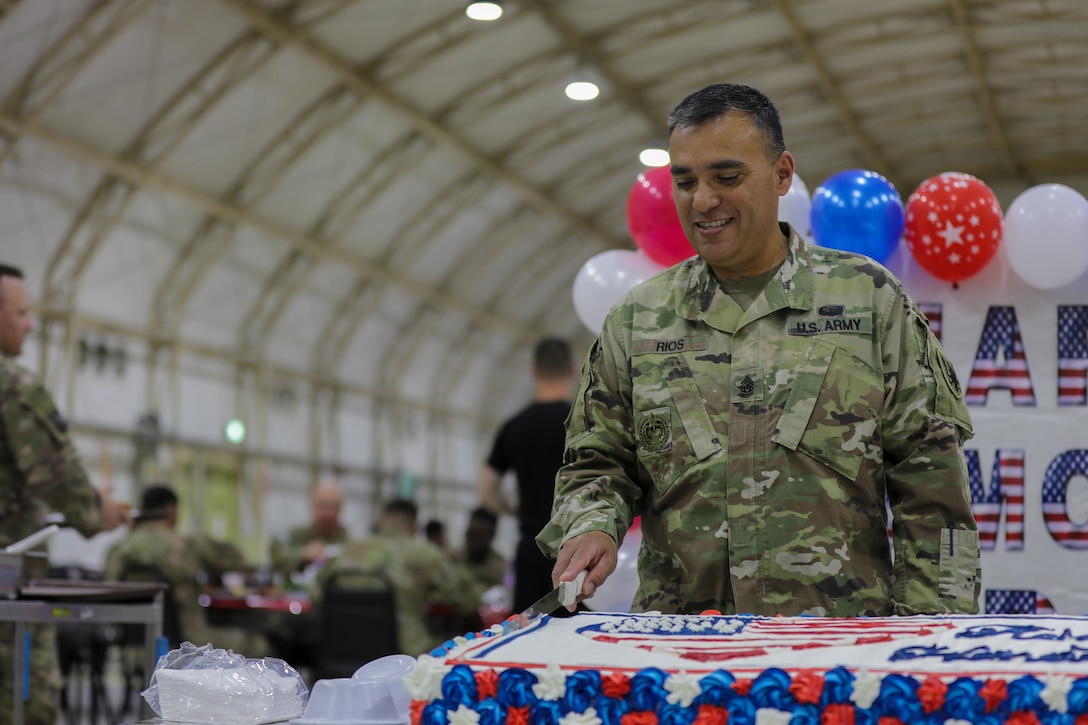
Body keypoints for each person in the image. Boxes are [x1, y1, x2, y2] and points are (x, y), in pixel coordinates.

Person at [539, 83, 981, 618]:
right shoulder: (638, 320)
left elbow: (932, 485)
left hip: (835, 656)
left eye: (727, 177)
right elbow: (597, 462)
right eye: (686, 181)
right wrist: (592, 525)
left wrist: (928, 640)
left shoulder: (867, 300)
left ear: (781, 174)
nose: (703, 200)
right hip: (682, 657)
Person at [0, 263, 130, 725]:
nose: (30, 324)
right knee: (26, 705)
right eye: (21, 313)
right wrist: (99, 510)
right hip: (6, 599)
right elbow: (58, 481)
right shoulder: (12, 387)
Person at [105, 484, 269, 656]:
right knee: (258, 644)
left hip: (135, 648)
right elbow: (235, 559)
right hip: (188, 642)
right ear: (171, 510)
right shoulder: (187, 543)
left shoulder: (118, 550)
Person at [478, 337, 575, 612]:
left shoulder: (514, 426)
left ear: (534, 372)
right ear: (571, 370)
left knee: (529, 635)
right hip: (575, 550)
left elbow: (486, 492)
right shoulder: (581, 423)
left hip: (530, 549)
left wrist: (515, 510)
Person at [314, 498, 482, 656]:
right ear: (414, 527)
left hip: (345, 653)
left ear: (381, 521)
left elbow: (315, 595)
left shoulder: (348, 550)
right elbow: (469, 600)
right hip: (406, 658)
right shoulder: (425, 554)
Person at [269, 477, 348, 579]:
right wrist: (303, 554)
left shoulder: (348, 543)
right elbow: (276, 550)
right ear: (312, 505)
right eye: (322, 505)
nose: (327, 513)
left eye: (332, 507)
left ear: (340, 508)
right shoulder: (296, 536)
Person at [450, 507, 508, 592]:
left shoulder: (501, 567)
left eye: (480, 536)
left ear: (492, 535)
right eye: (472, 534)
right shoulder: (453, 560)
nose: (474, 542)